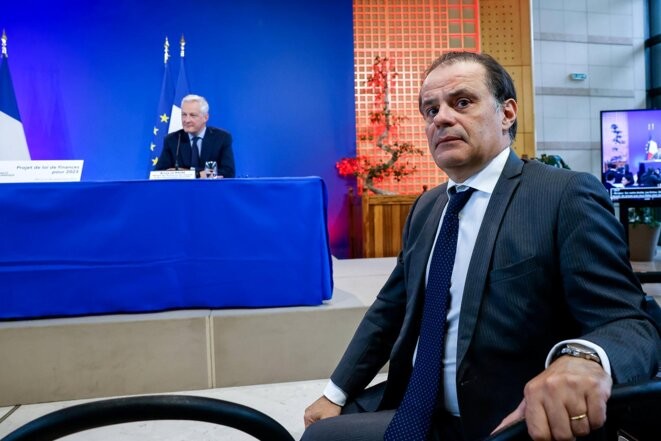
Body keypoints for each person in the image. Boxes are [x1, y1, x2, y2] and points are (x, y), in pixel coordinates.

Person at [302, 51, 660, 441]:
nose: (440, 117)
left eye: (462, 102)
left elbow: (629, 321)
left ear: (507, 114)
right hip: (417, 407)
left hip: (508, 422)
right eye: (430, 109)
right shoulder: (427, 206)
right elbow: (390, 309)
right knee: (322, 432)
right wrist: (334, 392)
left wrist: (582, 358)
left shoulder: (562, 196)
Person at [155, 94, 235, 178]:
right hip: (182, 190)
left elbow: (228, 172)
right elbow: (159, 173)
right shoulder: (172, 139)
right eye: (184, 115)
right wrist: (199, 174)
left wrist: (187, 173)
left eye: (192, 115)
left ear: (205, 117)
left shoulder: (221, 138)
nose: (187, 120)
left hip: (211, 190)